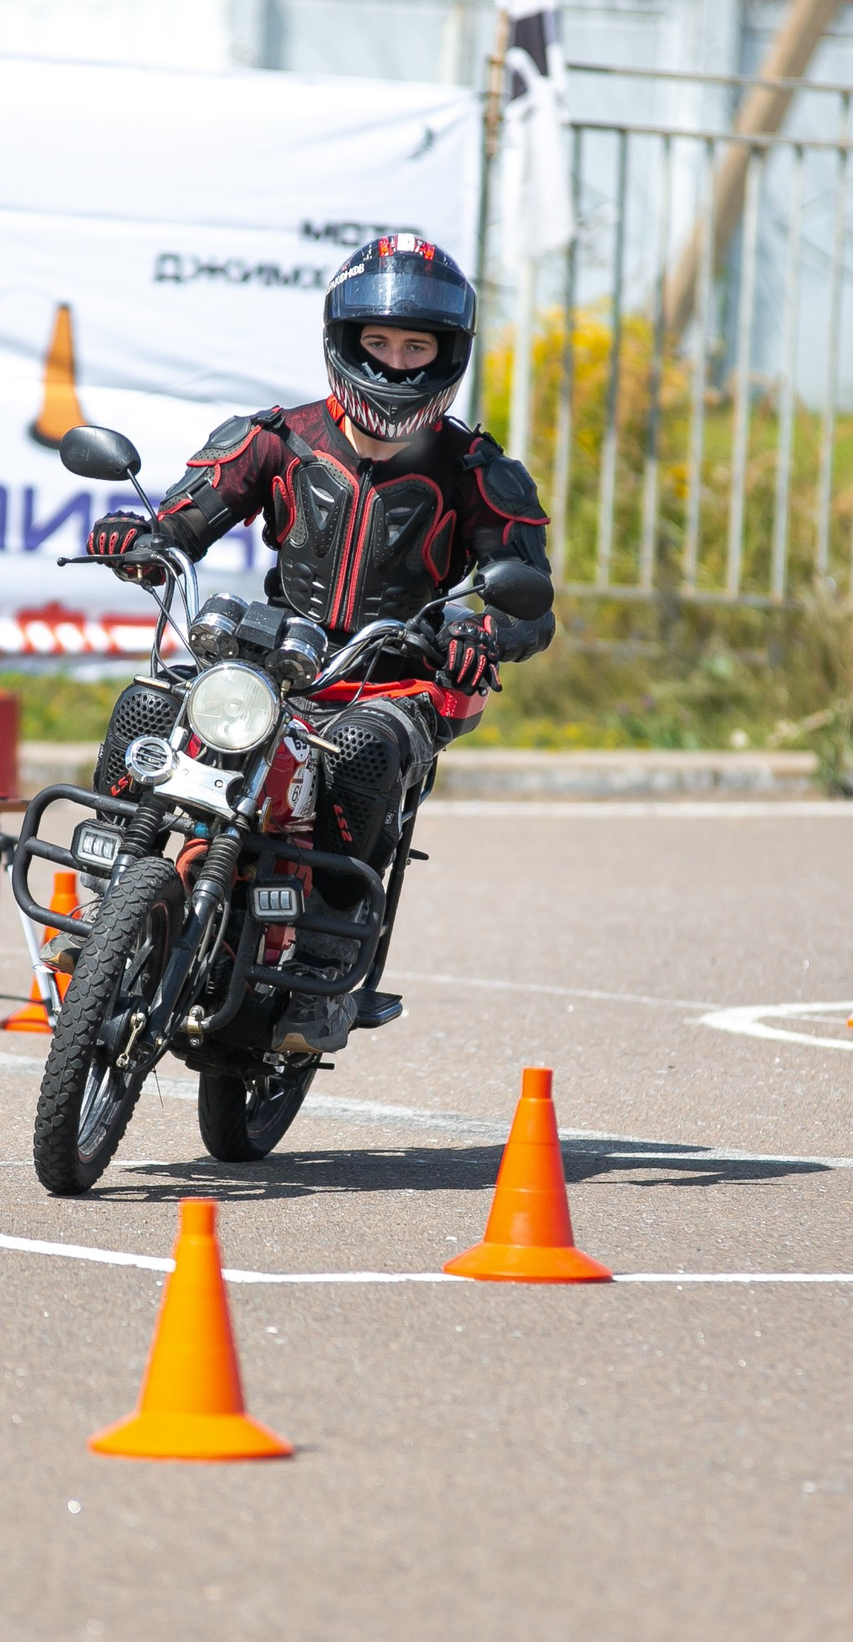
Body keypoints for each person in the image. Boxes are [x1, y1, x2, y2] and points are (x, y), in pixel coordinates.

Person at [81, 233, 555, 1055]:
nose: (396, 362)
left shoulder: (478, 470)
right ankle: (110, 894)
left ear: (447, 354)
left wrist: (483, 631)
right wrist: (143, 536)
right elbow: (186, 517)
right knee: (148, 705)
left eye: (416, 347)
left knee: (364, 751)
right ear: (345, 339)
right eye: (380, 341)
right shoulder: (279, 436)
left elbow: (530, 600)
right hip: (276, 663)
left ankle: (326, 957)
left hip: (397, 679)